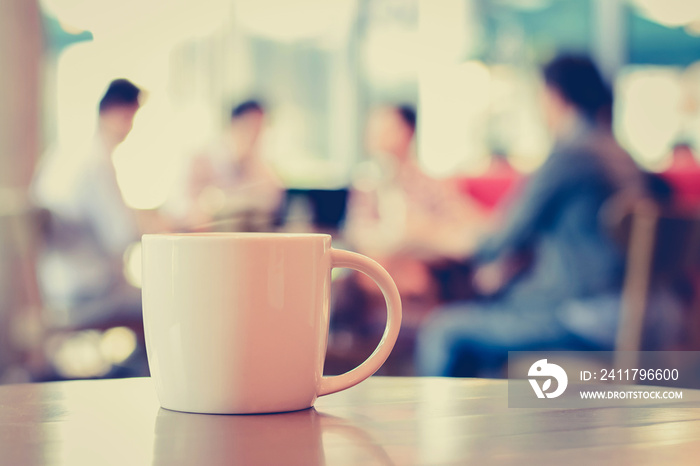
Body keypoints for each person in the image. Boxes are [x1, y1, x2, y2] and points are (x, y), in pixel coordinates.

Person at [416, 55, 680, 377]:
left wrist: (429, 235)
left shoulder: (571, 155)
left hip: (588, 318)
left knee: (443, 330)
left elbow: (500, 238)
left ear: (554, 96)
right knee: (491, 310)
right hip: (650, 316)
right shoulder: (621, 155)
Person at [33, 79, 144, 327]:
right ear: (111, 111)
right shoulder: (97, 161)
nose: (130, 127)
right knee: (163, 302)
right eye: (129, 116)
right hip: (91, 295)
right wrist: (160, 226)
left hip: (56, 287)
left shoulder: (63, 152)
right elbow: (122, 236)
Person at [182, 100, 283, 231]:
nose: (255, 135)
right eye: (250, 126)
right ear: (233, 124)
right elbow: (183, 207)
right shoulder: (201, 159)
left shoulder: (259, 165)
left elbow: (273, 198)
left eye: (260, 129)